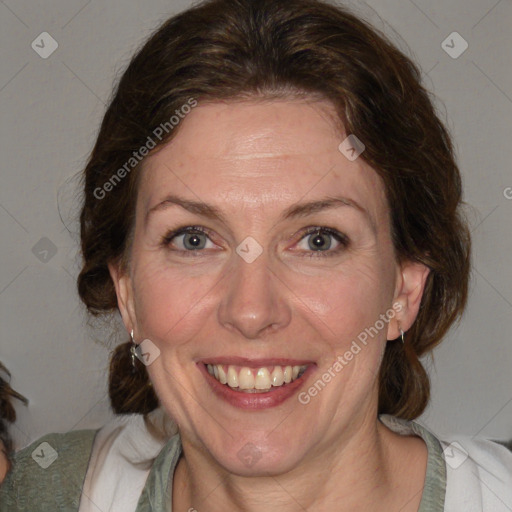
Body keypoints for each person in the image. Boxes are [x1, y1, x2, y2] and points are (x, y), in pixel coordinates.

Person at [1, 0, 511, 510]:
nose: (251, 311)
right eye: (193, 239)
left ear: (405, 289)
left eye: (318, 239)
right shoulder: (42, 492)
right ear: (126, 290)